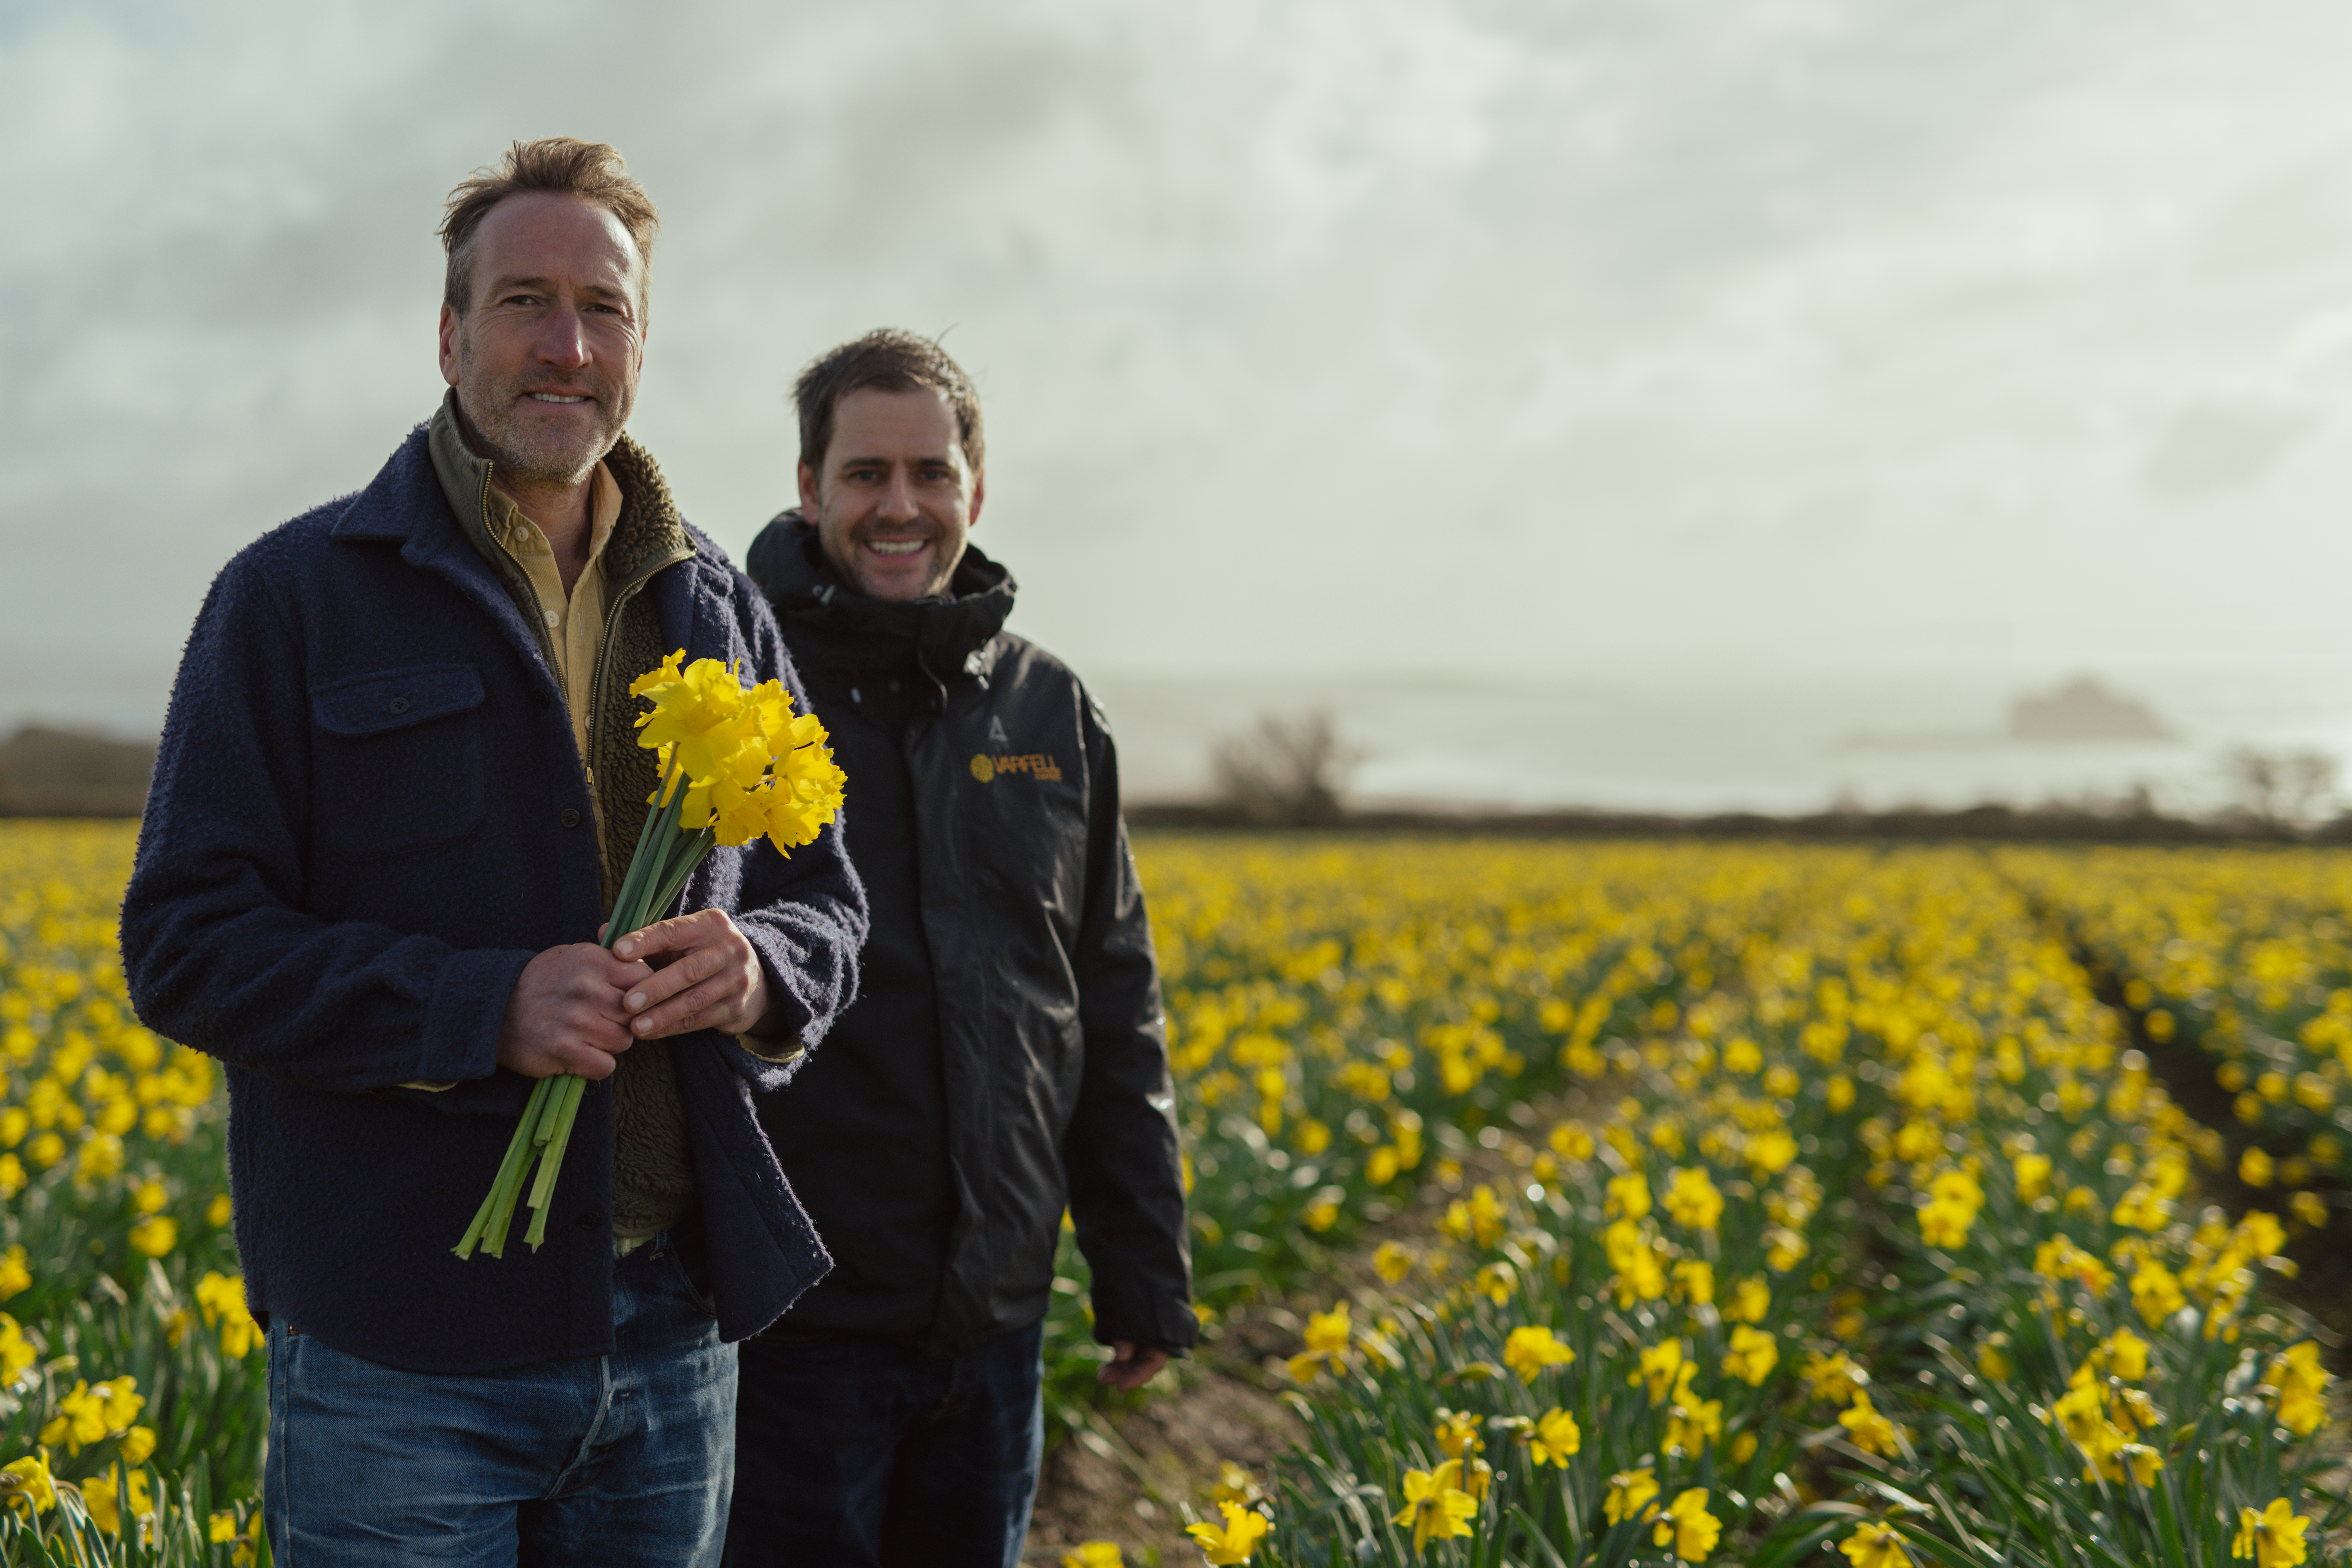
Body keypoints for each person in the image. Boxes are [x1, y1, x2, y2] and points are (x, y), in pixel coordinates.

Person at [118, 138, 867, 1567]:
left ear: (641, 344)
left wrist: (760, 971)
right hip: (396, 1350)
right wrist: (478, 1008)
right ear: (450, 335)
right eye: (525, 301)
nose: (566, 345)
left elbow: (824, 902)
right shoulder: (292, 598)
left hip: (670, 1338)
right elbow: (185, 944)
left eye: (604, 309)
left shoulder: (720, 606)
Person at [723, 331, 1193, 1566]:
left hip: (993, 1327)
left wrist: (1141, 1267)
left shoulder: (1052, 709)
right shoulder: (742, 698)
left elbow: (1108, 1002)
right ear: (810, 486)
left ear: (974, 492)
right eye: (865, 474)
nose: (901, 506)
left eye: (931, 473)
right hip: (792, 1335)